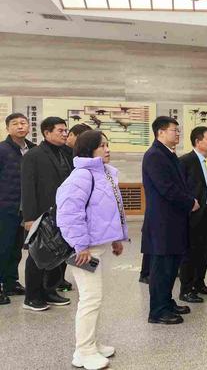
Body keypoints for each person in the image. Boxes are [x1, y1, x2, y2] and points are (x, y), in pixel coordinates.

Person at [56, 130, 128, 370]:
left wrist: (116, 238)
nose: (107, 149)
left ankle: (92, 344)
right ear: (89, 150)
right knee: (90, 299)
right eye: (102, 146)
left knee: (93, 298)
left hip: (96, 248)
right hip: (84, 250)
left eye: (107, 144)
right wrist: (81, 245)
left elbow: (110, 211)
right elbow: (69, 213)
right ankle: (83, 351)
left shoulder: (104, 173)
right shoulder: (82, 176)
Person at [141, 116, 198, 324]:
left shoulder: (168, 153)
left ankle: (166, 302)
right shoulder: (154, 155)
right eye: (174, 130)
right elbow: (167, 188)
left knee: (172, 266)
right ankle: (157, 311)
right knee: (162, 268)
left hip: (173, 220)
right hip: (162, 222)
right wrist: (190, 202)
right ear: (161, 132)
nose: (178, 133)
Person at [21, 116, 73, 311]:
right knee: (37, 254)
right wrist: (29, 218)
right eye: (60, 130)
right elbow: (27, 188)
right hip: (41, 214)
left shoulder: (67, 153)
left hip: (63, 213)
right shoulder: (33, 155)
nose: (65, 134)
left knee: (58, 252)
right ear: (47, 133)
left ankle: (50, 290)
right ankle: (32, 296)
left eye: (65, 130)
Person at [178, 126, 207, 303]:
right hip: (194, 214)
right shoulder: (185, 161)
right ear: (197, 141)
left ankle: (199, 283)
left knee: (204, 251)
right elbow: (180, 189)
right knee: (190, 253)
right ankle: (186, 290)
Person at [0, 113, 34, 304]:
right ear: (8, 128)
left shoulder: (33, 149)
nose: (20, 126)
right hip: (5, 207)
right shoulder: (2, 149)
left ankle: (11, 283)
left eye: (23, 123)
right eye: (15, 124)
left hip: (25, 210)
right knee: (2, 248)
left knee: (16, 249)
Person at [55, 122, 90, 293]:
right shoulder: (61, 152)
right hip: (62, 208)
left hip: (72, 209)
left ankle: (60, 280)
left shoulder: (76, 155)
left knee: (66, 249)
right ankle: (53, 282)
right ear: (72, 136)